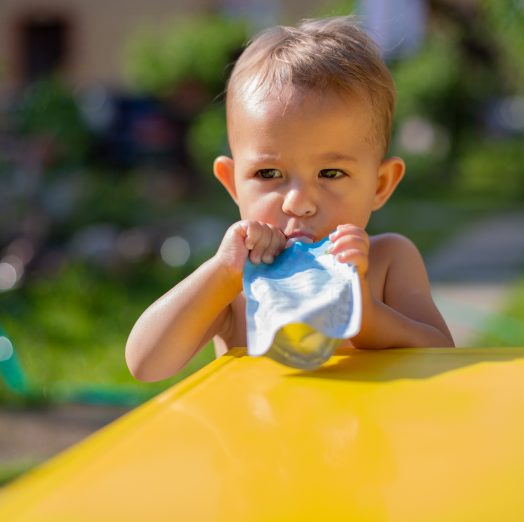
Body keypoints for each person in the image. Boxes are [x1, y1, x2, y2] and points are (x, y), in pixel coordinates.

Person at [125, 15, 454, 382]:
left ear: (380, 185)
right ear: (232, 182)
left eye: (330, 174)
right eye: (268, 174)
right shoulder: (236, 284)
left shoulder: (389, 261)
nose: (298, 203)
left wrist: (367, 315)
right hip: (257, 438)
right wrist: (221, 273)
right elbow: (145, 365)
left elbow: (442, 354)